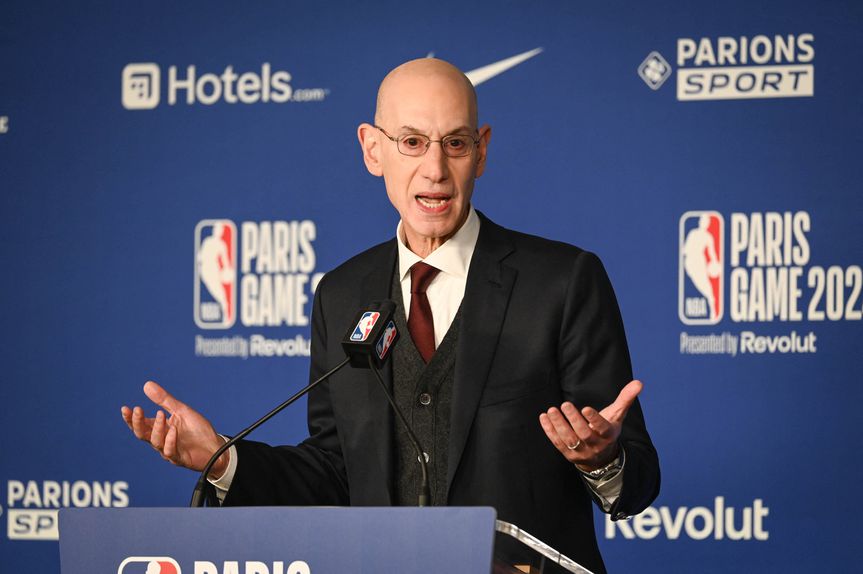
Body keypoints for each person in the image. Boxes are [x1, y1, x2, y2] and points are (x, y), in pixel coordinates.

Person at [122, 58, 659, 573]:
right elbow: (336, 471)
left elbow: (635, 482)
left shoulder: (562, 281)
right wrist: (224, 460)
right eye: (412, 142)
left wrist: (602, 461)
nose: (435, 169)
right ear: (372, 149)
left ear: (481, 152)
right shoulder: (341, 294)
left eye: (455, 143)